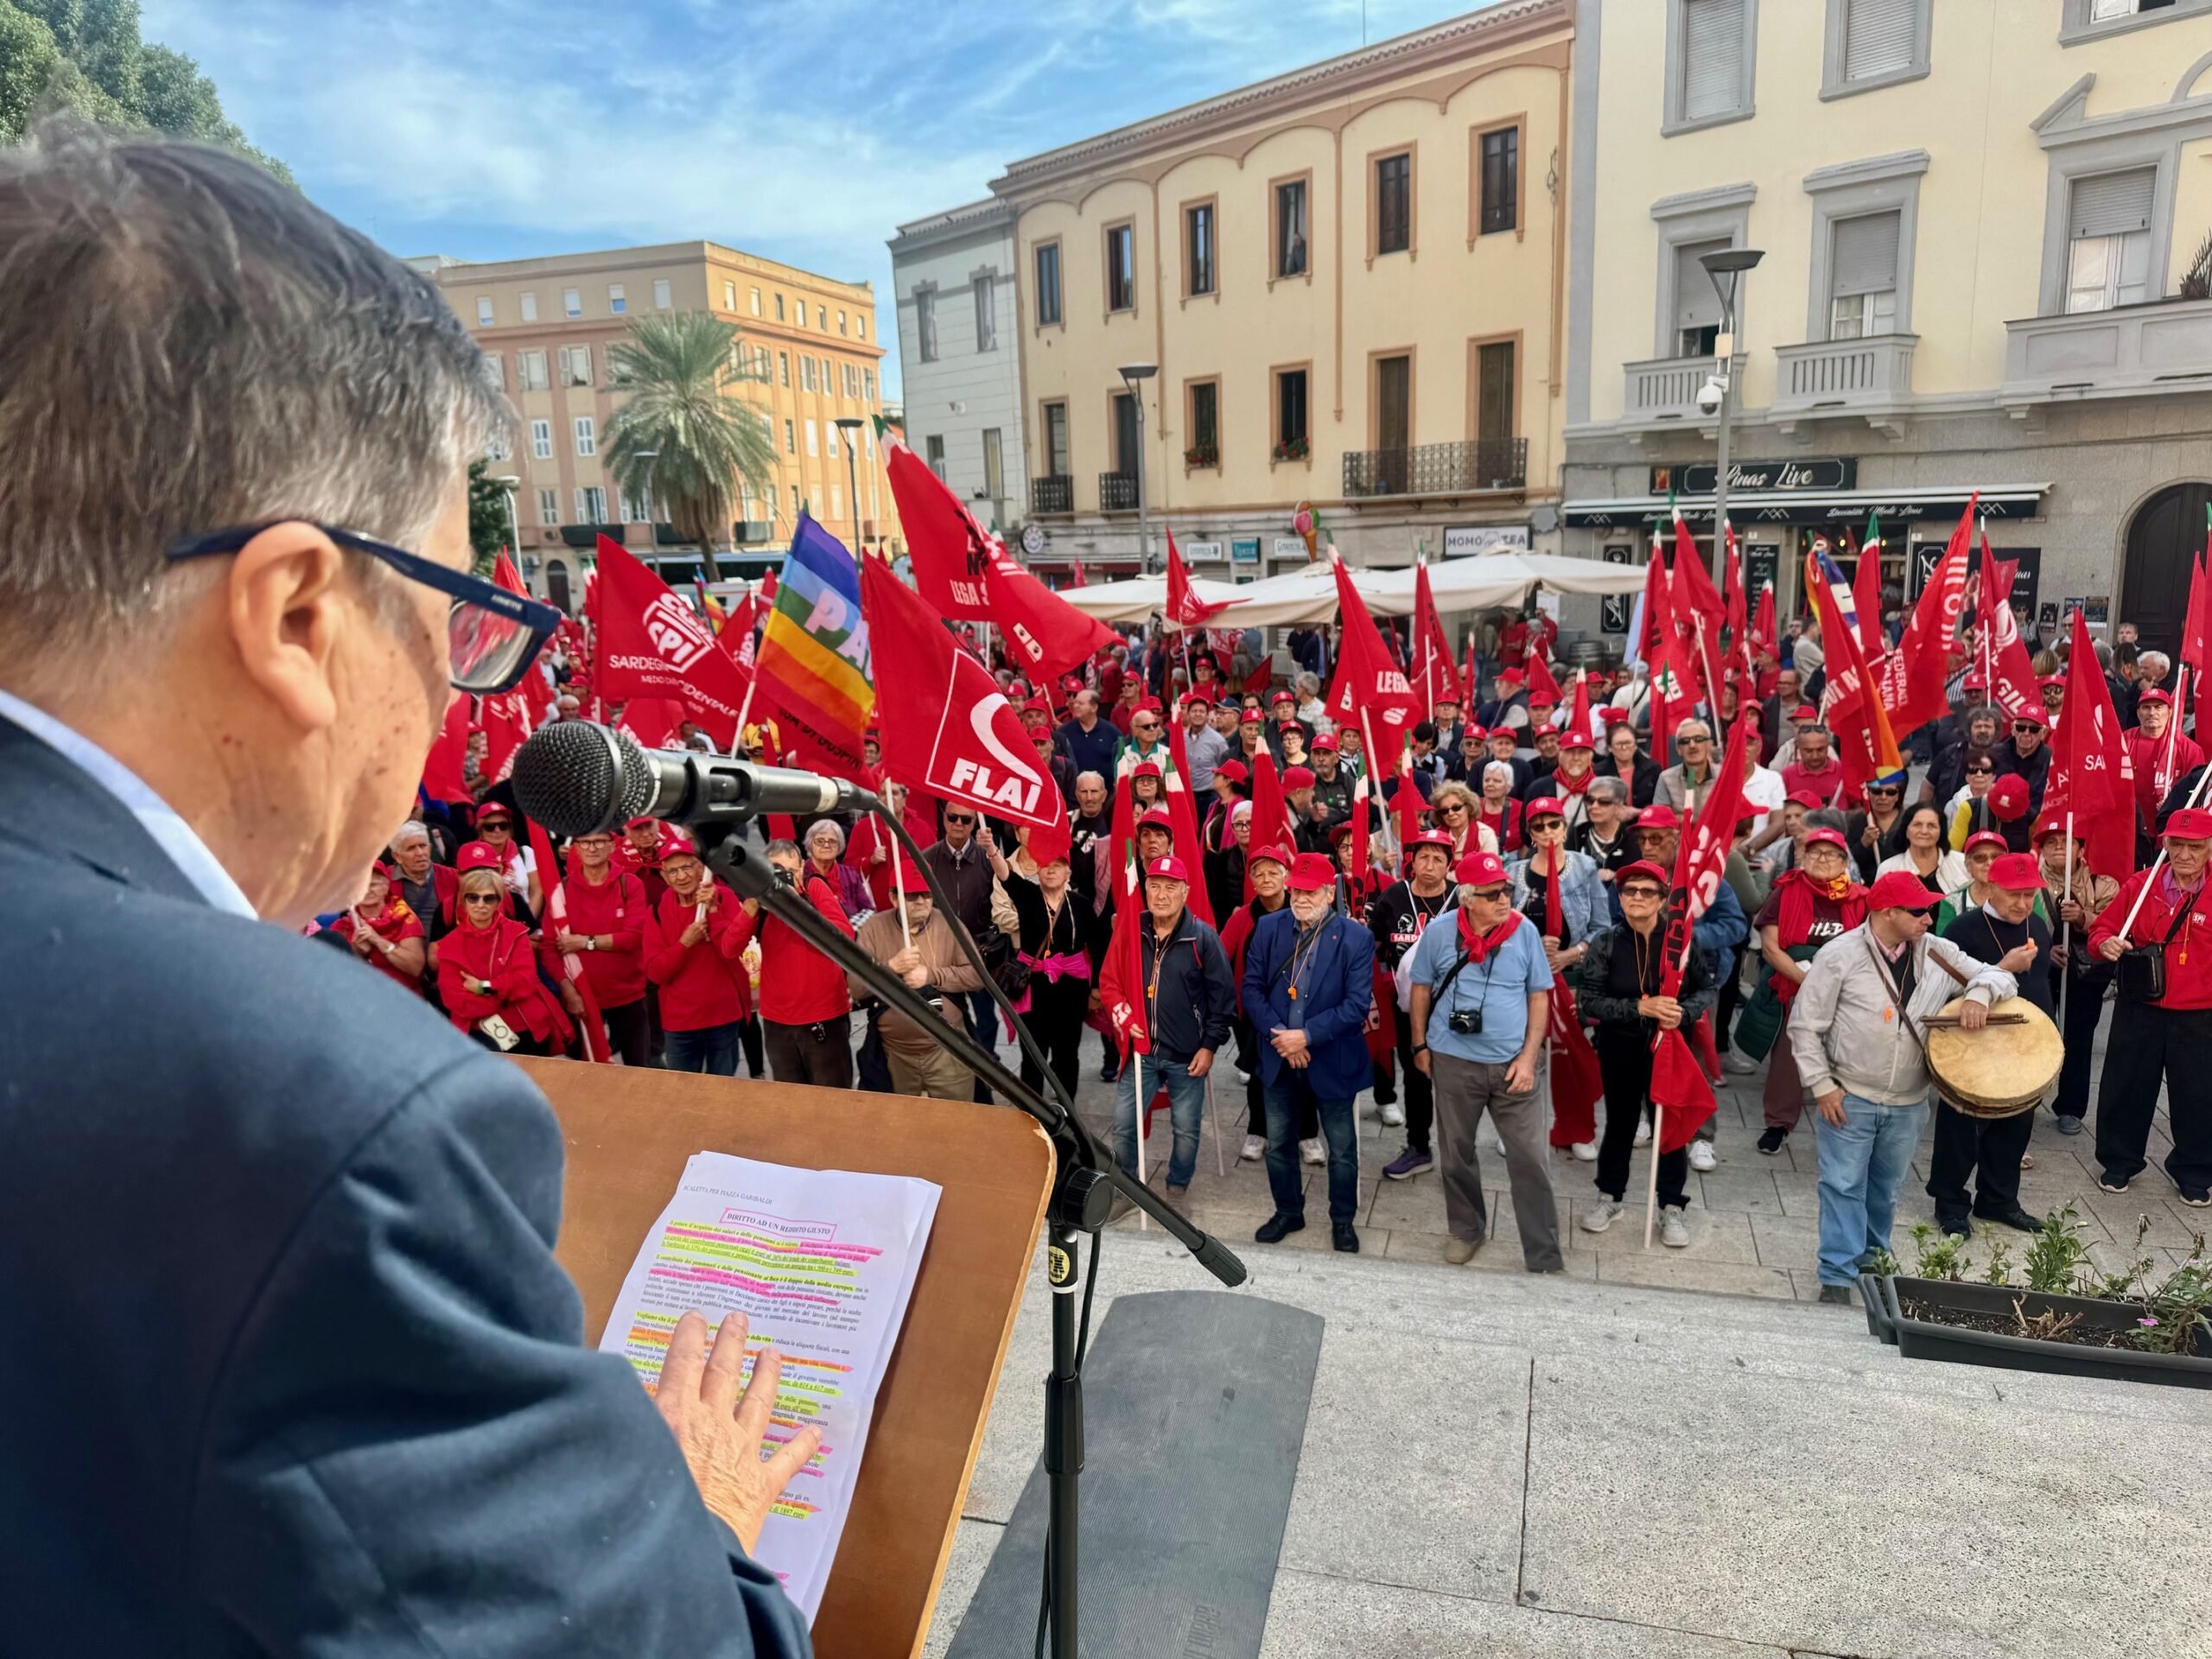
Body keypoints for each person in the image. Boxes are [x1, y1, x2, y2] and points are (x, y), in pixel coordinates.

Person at [1790, 872, 2015, 1303]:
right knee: (1842, 1185)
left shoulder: (1938, 950)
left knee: (1885, 1190)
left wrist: (1979, 995)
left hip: (1910, 1101)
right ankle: (1837, 1276)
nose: (1929, 918)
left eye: (1929, 908)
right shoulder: (1838, 955)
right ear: (1887, 912)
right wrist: (1821, 1085)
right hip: (1849, 1095)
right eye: (1918, 911)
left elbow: (2001, 977)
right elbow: (1804, 1027)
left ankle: (1875, 1267)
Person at [1407, 850, 1563, 1271]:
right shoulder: (1440, 933)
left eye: (1507, 891)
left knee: (1530, 1158)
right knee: (1456, 1153)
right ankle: (1467, 1229)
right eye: (1492, 894)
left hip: (1515, 1063)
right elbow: (1420, 988)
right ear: (1468, 899)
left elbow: (1538, 996)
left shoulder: (1524, 931)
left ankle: (1544, 1252)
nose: (1503, 900)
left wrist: (1529, 1058)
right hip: (1454, 1062)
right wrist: (1420, 1045)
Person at [1570, 859, 1719, 1247]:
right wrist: (1640, 1007)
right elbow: (1589, 1002)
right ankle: (1610, 1197)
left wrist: (1682, 1012)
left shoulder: (1680, 941)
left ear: (1662, 899)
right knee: (1620, 1124)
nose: (1637, 897)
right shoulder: (1606, 941)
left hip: (1670, 1047)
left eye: (1646, 891)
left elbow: (1706, 988)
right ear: (1619, 898)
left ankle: (1671, 1206)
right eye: (1629, 891)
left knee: (1668, 1127)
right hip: (1620, 1046)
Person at [1245, 853, 1377, 1252]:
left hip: (1330, 1057)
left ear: (1328, 893)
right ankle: (1288, 1212)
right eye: (1297, 890)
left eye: (1311, 891)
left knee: (1341, 1149)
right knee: (1280, 1143)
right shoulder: (1269, 927)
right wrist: (1284, 1036)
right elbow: (1251, 989)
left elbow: (1356, 1006)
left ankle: (1342, 1220)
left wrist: (1305, 1037)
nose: (1302, 898)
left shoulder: (1355, 938)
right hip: (1279, 1055)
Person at [2088, 807, 2212, 1203]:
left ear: (2210, 849)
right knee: (2126, 1085)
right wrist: (2104, 942)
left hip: (2199, 1012)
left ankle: (2195, 1170)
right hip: (2140, 1002)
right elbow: (2101, 930)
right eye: (2177, 845)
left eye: (2195, 847)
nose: (2185, 855)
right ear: (2166, 846)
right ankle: (2119, 1161)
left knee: (2199, 1093)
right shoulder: (2141, 886)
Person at [1929, 853, 2052, 1237]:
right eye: (2013, 894)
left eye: (2029, 895)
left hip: (2022, 1045)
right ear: (1988, 888)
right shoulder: (1963, 930)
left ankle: (1998, 1199)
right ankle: (1950, 1203)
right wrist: (2003, 967)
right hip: (1973, 1046)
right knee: (1960, 1128)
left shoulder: (2038, 926)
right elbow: (1945, 988)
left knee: (2016, 1126)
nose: (2022, 904)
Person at [1112, 856, 1237, 1198]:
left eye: (1170, 887)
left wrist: (1210, 1046)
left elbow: (1224, 1000)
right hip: (1141, 1052)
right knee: (1123, 1125)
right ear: (1145, 890)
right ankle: (1125, 1184)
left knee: (1185, 1127)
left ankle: (1178, 1181)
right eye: (1154, 886)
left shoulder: (1203, 938)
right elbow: (1110, 981)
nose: (1161, 895)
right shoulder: (1130, 928)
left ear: (1185, 892)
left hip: (1187, 1055)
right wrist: (1122, 1014)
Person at [1745, 828, 1868, 1152]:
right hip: (1795, 984)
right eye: (1815, 853)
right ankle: (1778, 1123)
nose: (1822, 859)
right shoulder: (1784, 892)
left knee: (1849, 1055)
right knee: (1789, 1054)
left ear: (1845, 862)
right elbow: (1771, 949)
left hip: (1847, 989)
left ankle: (1849, 1121)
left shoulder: (1862, 898)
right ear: (1802, 857)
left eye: (1831, 854)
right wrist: (1812, 985)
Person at [728, 839, 857, 1089]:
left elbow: (844, 936)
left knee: (833, 1099)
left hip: (824, 1018)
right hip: (779, 1024)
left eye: (790, 871)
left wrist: (799, 905)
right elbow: (729, 948)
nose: (783, 878)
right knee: (790, 1100)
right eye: (776, 870)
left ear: (801, 870)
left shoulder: (814, 887)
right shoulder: (762, 903)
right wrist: (753, 906)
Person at [849, 861, 982, 1099]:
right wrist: (890, 968)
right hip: (894, 1053)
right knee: (900, 1125)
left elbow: (977, 976)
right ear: (893, 898)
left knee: (958, 1123)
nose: (921, 901)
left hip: (948, 1048)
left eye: (926, 893)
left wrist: (931, 975)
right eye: (911, 895)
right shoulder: (873, 928)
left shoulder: (950, 924)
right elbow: (857, 989)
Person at [1371, 830, 1459, 1177]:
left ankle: (1458, 1153)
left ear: (1449, 864)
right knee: (1416, 1075)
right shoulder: (1394, 896)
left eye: (1438, 859)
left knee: (1455, 1080)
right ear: (1411, 860)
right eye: (1423, 856)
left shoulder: (1460, 898)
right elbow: (1374, 943)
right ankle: (1419, 1147)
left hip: (1452, 1006)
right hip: (1406, 1005)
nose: (1430, 865)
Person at [645, 829, 756, 1077]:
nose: (682, 876)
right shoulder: (656, 913)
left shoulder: (724, 897)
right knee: (683, 1094)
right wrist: (685, 944)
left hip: (723, 1017)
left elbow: (732, 949)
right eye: (673, 871)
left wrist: (714, 912)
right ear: (664, 876)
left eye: (688, 866)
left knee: (723, 1091)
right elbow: (655, 973)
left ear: (700, 868)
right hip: (680, 1024)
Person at [1220, 843, 1304, 1164]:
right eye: (1260, 873)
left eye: (1274, 872)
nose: (1267, 878)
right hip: (1253, 1012)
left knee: (1300, 1070)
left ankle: (1306, 1133)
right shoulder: (1243, 917)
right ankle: (1258, 1130)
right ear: (1252, 882)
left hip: (1297, 1009)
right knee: (1258, 1074)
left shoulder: (1301, 910)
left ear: (1286, 877)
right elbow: (1219, 953)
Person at [2035, 816, 2118, 1136]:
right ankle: (2024, 1097)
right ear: (2040, 849)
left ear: (2080, 848)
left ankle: (2071, 1106)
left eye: (2066, 841)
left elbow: (2117, 925)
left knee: (2079, 1039)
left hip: (2083, 973)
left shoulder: (2104, 884)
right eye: (2050, 842)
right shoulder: (2029, 883)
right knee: (2036, 1034)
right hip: (2038, 968)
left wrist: (2084, 917)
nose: (2058, 846)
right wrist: (2044, 952)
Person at [548, 826, 653, 1066]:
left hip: (628, 996)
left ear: (612, 845)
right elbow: (549, 947)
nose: (592, 848)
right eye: (585, 843)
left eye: (599, 842)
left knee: (641, 1070)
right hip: (582, 998)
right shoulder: (562, 890)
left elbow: (632, 938)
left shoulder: (630, 885)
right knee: (585, 1071)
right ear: (575, 847)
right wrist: (569, 992)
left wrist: (585, 941)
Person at [1002, 841, 1090, 1102]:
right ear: (1037, 871)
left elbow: (1098, 942)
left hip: (1071, 991)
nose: (1051, 871)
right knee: (1032, 1055)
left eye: (1057, 866)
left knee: (1067, 1055)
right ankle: (1034, 1115)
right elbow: (1005, 875)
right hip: (1034, 989)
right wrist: (993, 852)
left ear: (1068, 874)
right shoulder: (1028, 896)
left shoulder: (1080, 904)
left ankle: (1067, 1111)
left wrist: (1095, 990)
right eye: (1045, 866)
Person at [921, 805, 1001, 1057]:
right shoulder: (927, 857)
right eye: (952, 817)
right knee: (949, 1014)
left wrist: (993, 851)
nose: (958, 823)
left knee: (987, 1016)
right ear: (943, 818)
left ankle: (987, 1062)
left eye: (966, 819)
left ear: (975, 822)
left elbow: (1002, 896)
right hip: (942, 953)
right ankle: (958, 1058)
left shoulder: (987, 858)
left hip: (979, 951)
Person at [327, 861, 427, 994]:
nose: (367, 890)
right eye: (360, 885)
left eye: (372, 884)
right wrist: (356, 952)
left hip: (404, 999)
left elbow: (416, 968)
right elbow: (333, 978)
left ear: (386, 888)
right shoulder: (342, 928)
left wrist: (377, 940)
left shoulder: (404, 918)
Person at [1875, 803, 1969, 898]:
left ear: (1941, 831)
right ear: (1906, 831)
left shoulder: (1963, 863)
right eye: (1917, 825)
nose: (1924, 831)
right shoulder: (1887, 869)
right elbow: (1878, 910)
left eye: (1931, 826)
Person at [1933, 831, 2019, 931]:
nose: (1989, 863)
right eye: (1980, 858)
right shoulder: (1951, 901)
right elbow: (1943, 944)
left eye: (1996, 857)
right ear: (1968, 865)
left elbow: (2037, 934)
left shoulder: (2025, 896)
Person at [387, 819, 454, 943]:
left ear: (430, 848)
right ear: (397, 856)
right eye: (411, 848)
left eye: (423, 846)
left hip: (442, 956)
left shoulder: (451, 877)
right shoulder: (385, 881)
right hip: (404, 957)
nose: (420, 853)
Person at [1567, 775, 1637, 880]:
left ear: (1619, 805)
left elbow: (1635, 877)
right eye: (1590, 800)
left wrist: (1614, 876)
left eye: (1604, 801)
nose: (1594, 806)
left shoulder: (1631, 838)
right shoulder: (1577, 833)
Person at [1846, 770, 1910, 881]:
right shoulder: (1856, 821)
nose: (1883, 797)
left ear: (1898, 795)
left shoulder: (1910, 820)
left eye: (1890, 792)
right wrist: (1863, 844)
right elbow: (1847, 862)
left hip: (1902, 885)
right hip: (1867, 887)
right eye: (1877, 791)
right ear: (1868, 793)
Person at [1599, 718, 1660, 806]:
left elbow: (1659, 805)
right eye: (1619, 744)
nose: (1624, 748)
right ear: (1610, 748)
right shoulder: (1599, 773)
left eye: (1628, 743)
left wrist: (1636, 812)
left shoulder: (1653, 769)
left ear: (1635, 745)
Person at [1180, 691, 1230, 792]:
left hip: (1209, 796)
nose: (1198, 714)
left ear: (1207, 715)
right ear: (1188, 714)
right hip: (1185, 795)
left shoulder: (1218, 741)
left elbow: (1226, 769)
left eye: (1202, 711)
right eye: (1194, 711)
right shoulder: (1181, 738)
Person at [1477, 759, 1524, 855]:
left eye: (1497, 781)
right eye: (1487, 780)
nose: (1490, 784)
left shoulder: (1520, 809)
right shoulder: (1472, 807)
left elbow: (1528, 841)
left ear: (1508, 786)